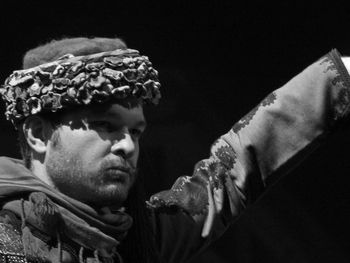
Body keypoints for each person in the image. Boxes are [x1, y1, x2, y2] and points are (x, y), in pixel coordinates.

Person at [0, 37, 350, 263]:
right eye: (105, 126)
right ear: (37, 135)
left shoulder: (135, 240)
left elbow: (233, 168)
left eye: (135, 131)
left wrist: (341, 75)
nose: (127, 145)